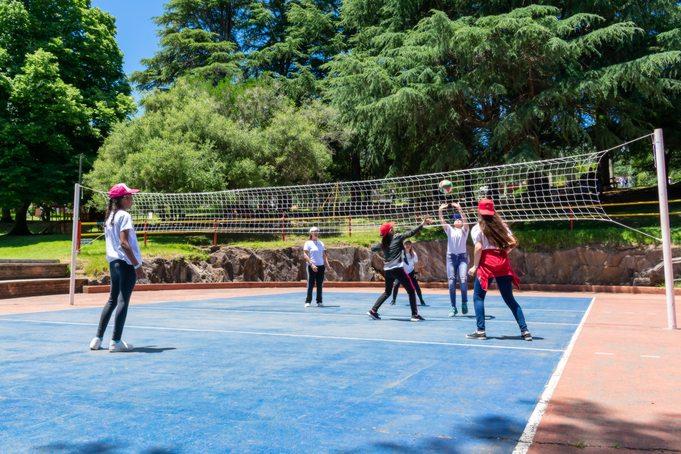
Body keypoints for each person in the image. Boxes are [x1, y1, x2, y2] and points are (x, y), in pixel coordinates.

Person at [89, 183, 145, 352]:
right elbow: (124, 243)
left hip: (113, 263)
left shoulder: (110, 217)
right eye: (130, 196)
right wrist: (137, 265)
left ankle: (97, 339)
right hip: (126, 263)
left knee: (112, 300)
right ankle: (116, 341)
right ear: (123, 199)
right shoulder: (124, 216)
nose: (132, 199)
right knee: (123, 300)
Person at [466, 198, 532, 341]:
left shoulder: (477, 228)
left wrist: (475, 266)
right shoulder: (502, 226)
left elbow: (478, 248)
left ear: (479, 211)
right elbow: (513, 242)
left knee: (478, 297)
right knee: (509, 298)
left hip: (486, 263)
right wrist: (503, 253)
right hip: (501, 262)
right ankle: (525, 331)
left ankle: (481, 331)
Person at [367, 218, 432, 321]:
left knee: (387, 292)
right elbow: (411, 233)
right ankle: (414, 315)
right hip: (397, 269)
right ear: (390, 231)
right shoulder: (396, 238)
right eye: (392, 228)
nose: (394, 228)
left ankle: (373, 311)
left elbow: (374, 248)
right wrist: (422, 224)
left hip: (388, 271)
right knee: (411, 291)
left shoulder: (384, 243)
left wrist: (377, 248)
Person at [438, 202, 469, 317]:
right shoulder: (449, 229)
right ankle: (453, 307)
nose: (458, 221)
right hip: (451, 257)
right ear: (453, 222)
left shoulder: (465, 230)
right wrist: (440, 211)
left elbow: (465, 220)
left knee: (463, 279)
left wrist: (459, 208)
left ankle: (464, 302)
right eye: (456, 220)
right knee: (451, 282)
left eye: (460, 220)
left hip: (462, 258)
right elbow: (442, 222)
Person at [390, 240, 427, 306]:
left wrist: (416, 273)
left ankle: (421, 300)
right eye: (406, 244)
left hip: (411, 272)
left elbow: (415, 264)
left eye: (409, 244)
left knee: (416, 286)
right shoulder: (400, 253)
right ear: (403, 246)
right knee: (396, 285)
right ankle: (393, 300)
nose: (407, 246)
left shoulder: (413, 254)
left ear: (411, 245)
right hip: (401, 272)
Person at [303, 226, 330, 307]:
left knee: (319, 284)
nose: (316, 232)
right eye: (314, 231)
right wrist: (312, 264)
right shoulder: (308, 243)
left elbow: (324, 255)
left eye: (317, 231)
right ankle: (308, 302)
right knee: (310, 284)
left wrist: (328, 265)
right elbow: (305, 255)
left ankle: (319, 301)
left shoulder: (321, 243)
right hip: (312, 267)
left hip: (321, 266)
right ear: (311, 233)